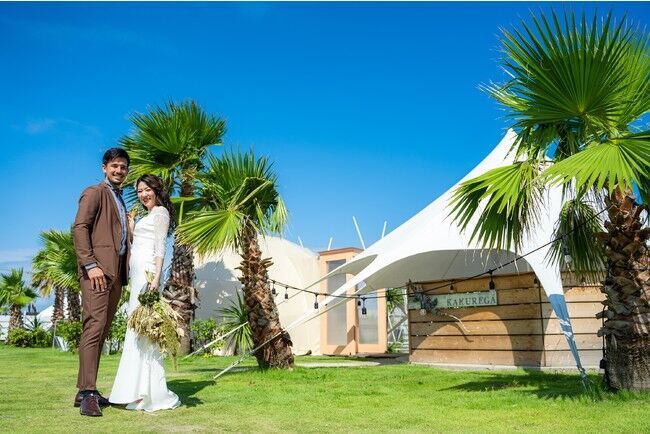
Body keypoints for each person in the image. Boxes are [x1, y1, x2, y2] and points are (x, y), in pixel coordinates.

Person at [109, 174, 180, 412]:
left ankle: (149, 392)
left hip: (148, 276)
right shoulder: (146, 216)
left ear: (157, 190)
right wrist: (131, 229)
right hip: (137, 275)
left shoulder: (160, 213)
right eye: (139, 191)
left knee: (145, 330)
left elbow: (160, 248)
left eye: (147, 190)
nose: (143, 194)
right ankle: (134, 389)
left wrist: (156, 279)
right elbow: (136, 246)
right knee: (136, 329)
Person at [72, 148, 131, 417]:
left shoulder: (120, 198)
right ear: (104, 167)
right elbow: (80, 227)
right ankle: (87, 393)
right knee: (94, 327)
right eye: (115, 166)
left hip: (116, 274)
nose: (119, 170)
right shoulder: (95, 192)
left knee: (102, 329)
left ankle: (86, 390)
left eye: (123, 167)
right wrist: (90, 264)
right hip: (97, 272)